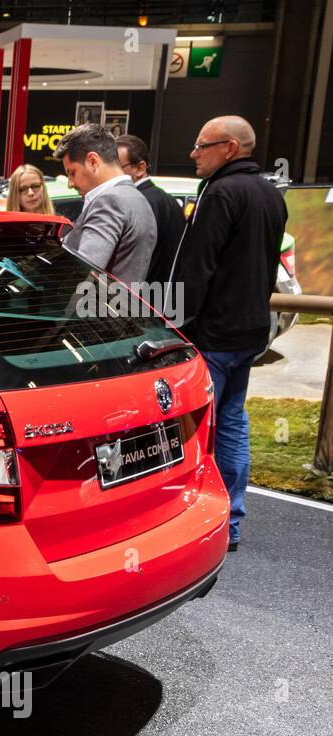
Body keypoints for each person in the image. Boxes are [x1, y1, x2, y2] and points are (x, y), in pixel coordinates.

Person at [170, 115, 287, 552]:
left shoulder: (220, 193)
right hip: (251, 331)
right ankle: (232, 523)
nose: (194, 153)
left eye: (203, 145)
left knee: (196, 432)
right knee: (234, 423)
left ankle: (194, 526)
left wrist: (179, 324)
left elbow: (197, 268)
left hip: (215, 335)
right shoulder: (271, 194)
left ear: (231, 147)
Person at [52, 123, 156, 285]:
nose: (70, 183)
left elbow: (82, 274)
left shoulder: (110, 201)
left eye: (72, 172)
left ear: (93, 161)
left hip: (92, 308)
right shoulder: (139, 199)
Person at [117, 134, 184, 285]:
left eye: (117, 168)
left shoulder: (135, 203)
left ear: (140, 168)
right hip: (165, 298)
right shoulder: (168, 200)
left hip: (140, 300)